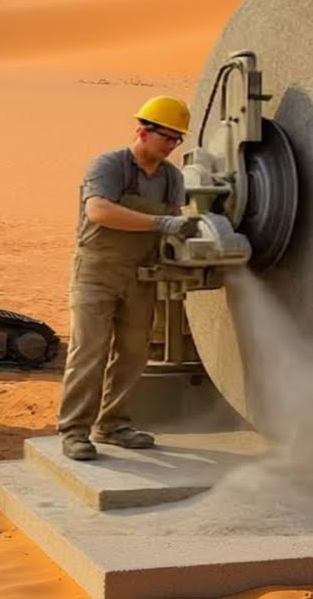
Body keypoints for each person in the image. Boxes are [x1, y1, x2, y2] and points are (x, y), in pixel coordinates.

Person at [57, 96, 200, 461]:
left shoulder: (171, 177)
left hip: (142, 275)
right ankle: (74, 431)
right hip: (97, 272)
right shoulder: (110, 165)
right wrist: (160, 223)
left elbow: (175, 220)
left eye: (176, 139)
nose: (170, 145)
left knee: (134, 354)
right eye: (166, 136)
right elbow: (99, 210)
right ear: (142, 131)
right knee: (90, 351)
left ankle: (112, 424)